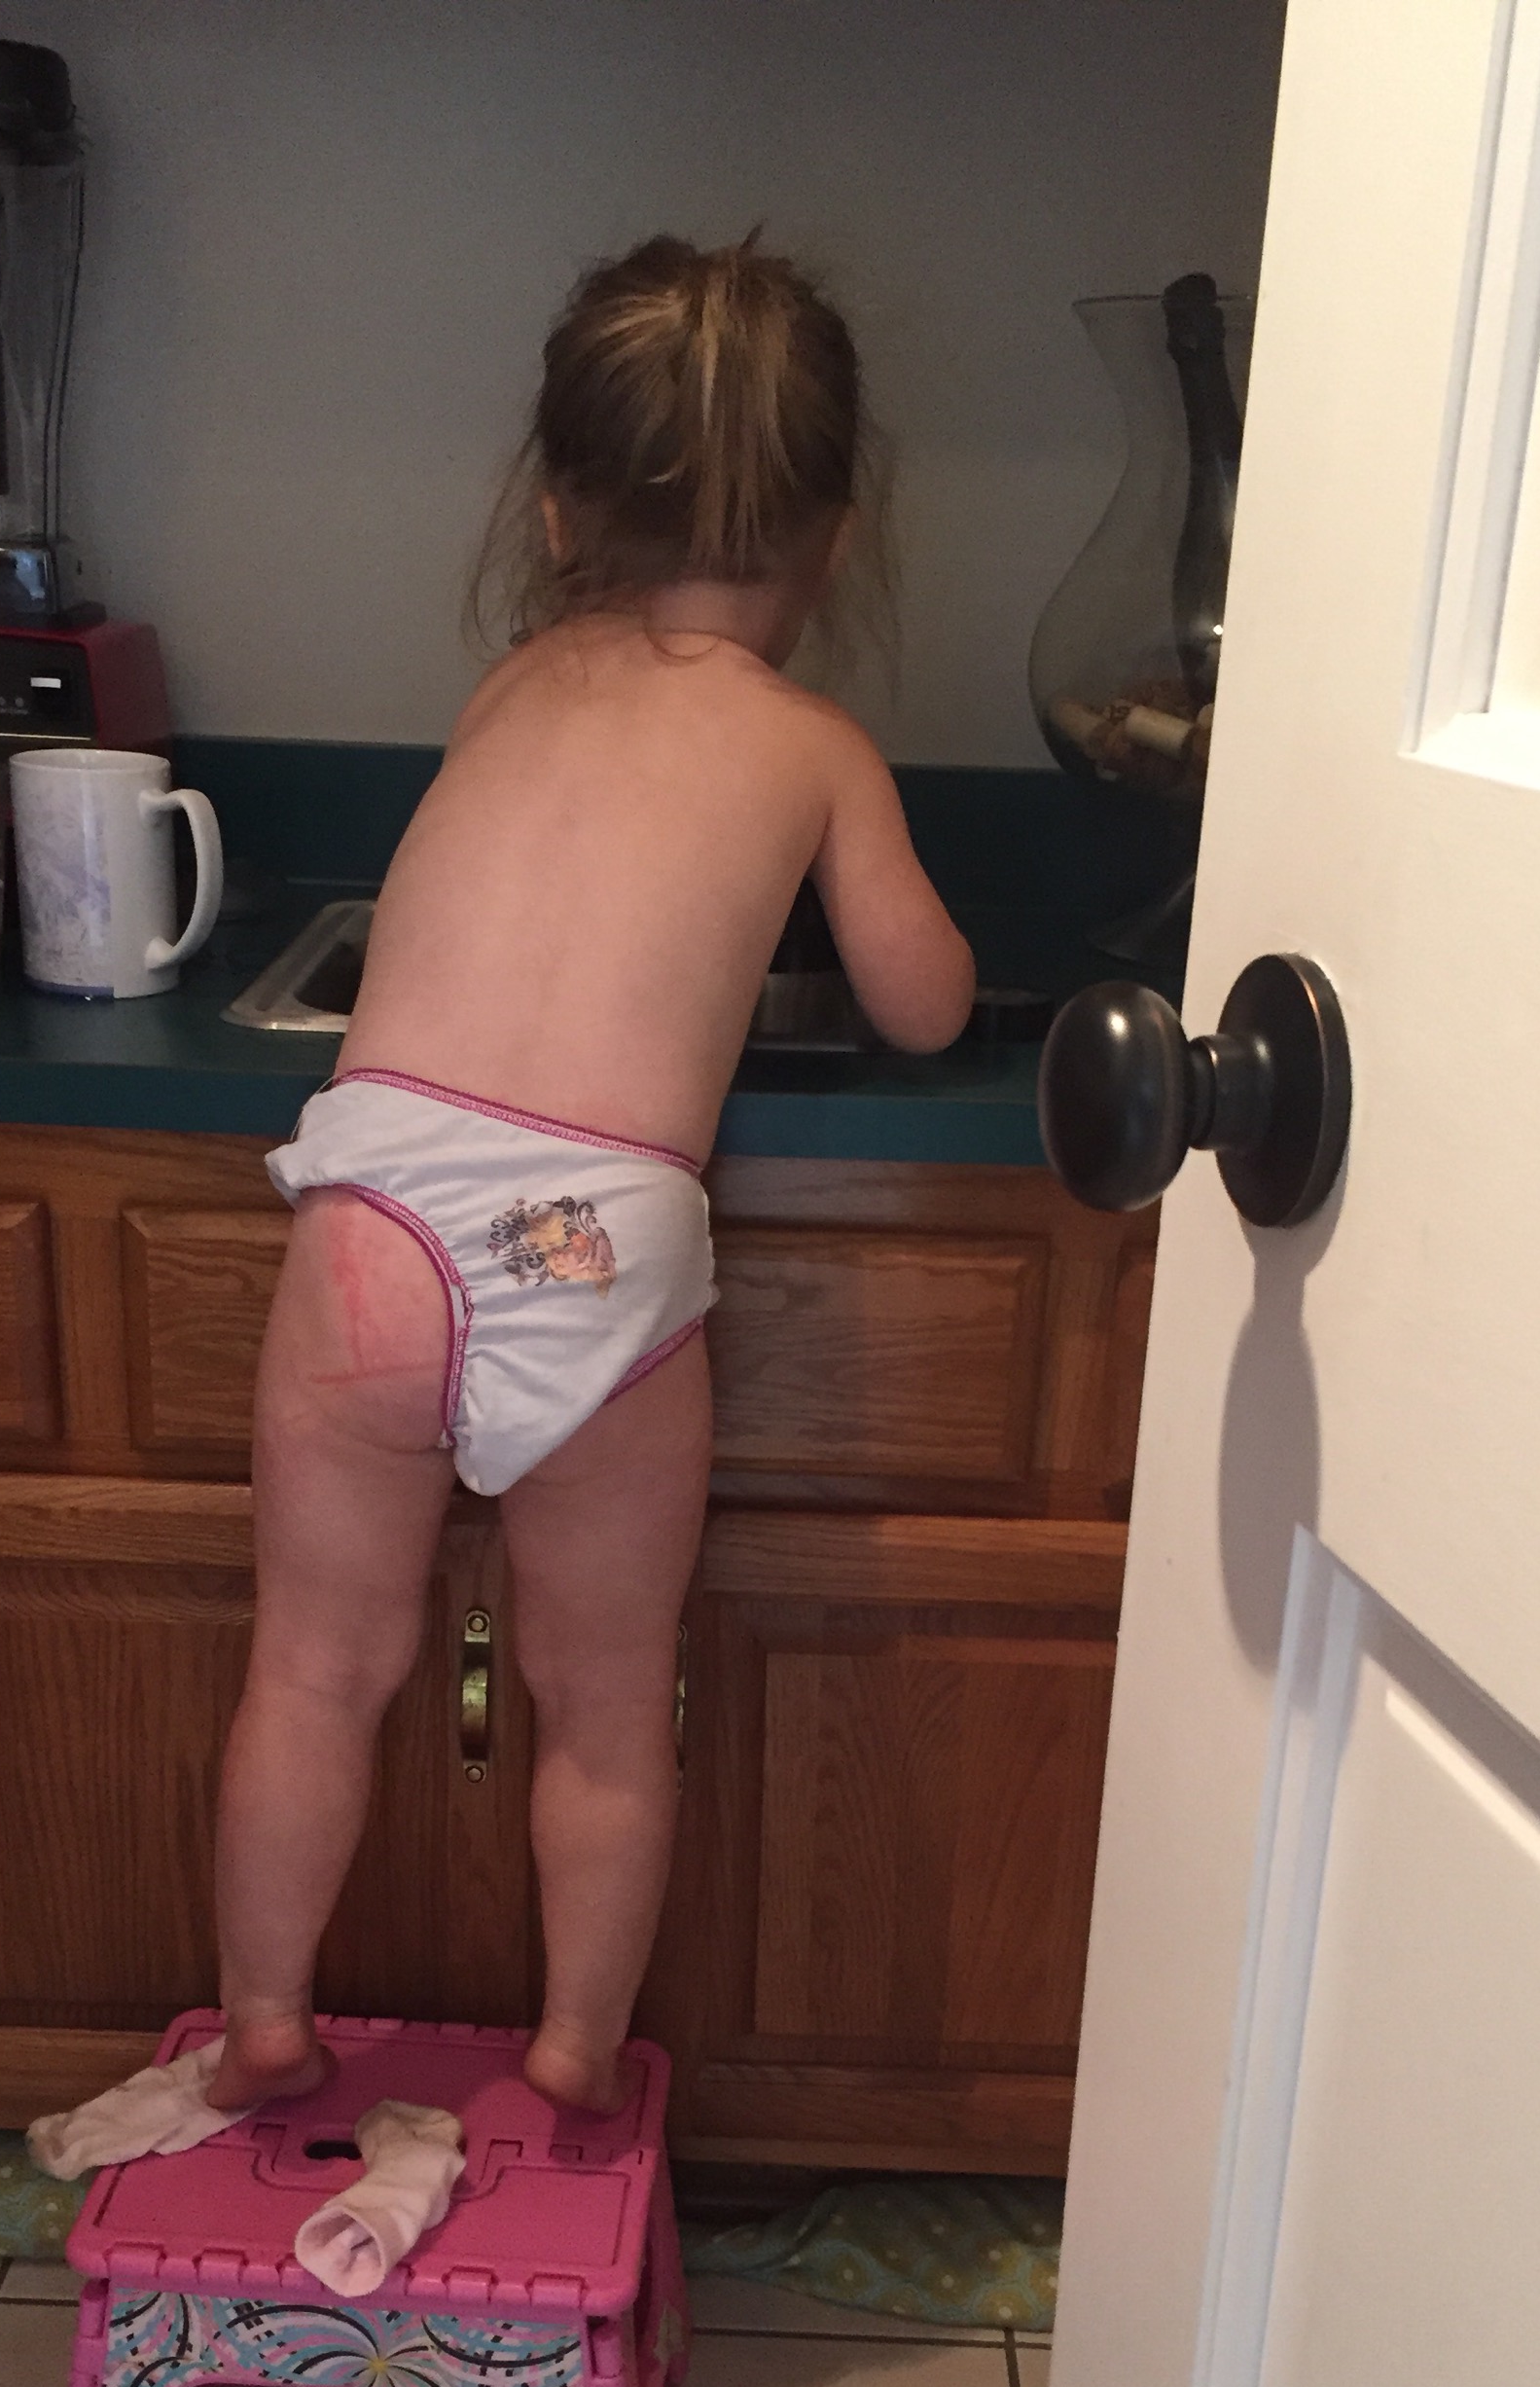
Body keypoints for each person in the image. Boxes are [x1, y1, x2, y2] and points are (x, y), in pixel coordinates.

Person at [209, 233, 975, 2119]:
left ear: (555, 513)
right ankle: (565, 2061)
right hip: (596, 1239)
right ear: (836, 541)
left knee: (314, 1668)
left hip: (383, 1220)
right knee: (610, 1707)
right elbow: (925, 1006)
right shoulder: (810, 744)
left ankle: (266, 2023)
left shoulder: (511, 691)